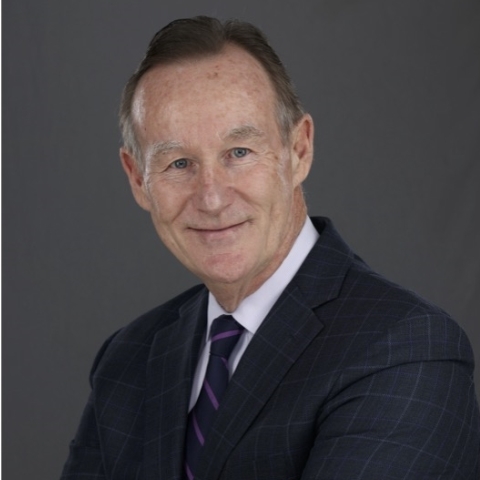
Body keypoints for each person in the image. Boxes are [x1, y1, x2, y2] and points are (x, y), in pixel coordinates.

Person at [61, 16, 480, 479]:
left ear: (298, 150)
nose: (212, 198)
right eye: (179, 163)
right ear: (138, 179)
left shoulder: (406, 349)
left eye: (239, 153)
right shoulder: (128, 358)